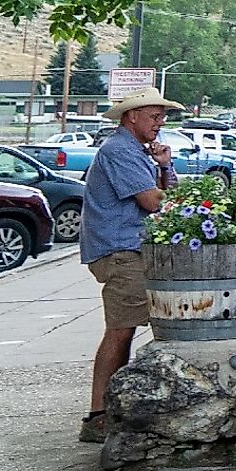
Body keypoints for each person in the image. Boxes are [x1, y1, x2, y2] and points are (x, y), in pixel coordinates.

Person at [80, 86, 176, 443]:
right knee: (120, 329)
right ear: (131, 116)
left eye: (162, 116)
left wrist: (165, 167)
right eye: (154, 115)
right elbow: (153, 201)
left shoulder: (135, 151)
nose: (160, 122)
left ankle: (108, 410)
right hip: (120, 250)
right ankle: (98, 415)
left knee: (127, 327)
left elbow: (163, 193)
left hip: (125, 247)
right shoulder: (121, 150)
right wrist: (175, 194)